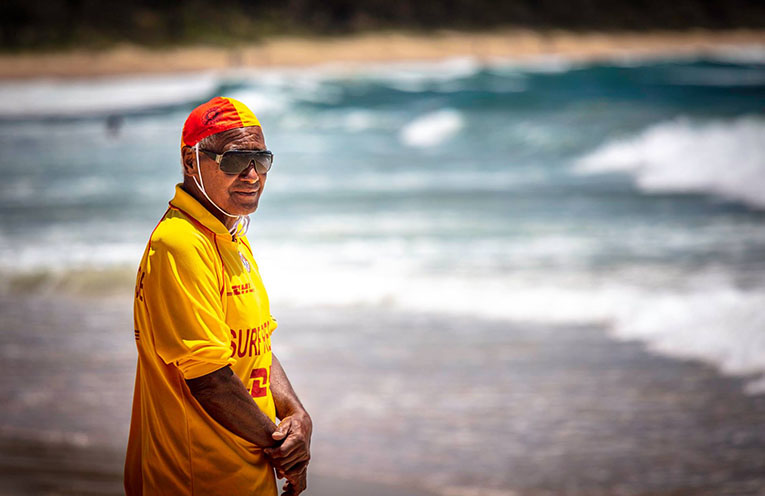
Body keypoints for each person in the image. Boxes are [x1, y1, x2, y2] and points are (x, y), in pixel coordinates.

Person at [124, 96, 312, 496]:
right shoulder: (179, 243)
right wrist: (285, 451)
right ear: (191, 162)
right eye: (234, 160)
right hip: (197, 478)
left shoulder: (231, 235)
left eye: (261, 160)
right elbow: (209, 378)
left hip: (246, 471)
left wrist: (296, 414)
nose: (252, 174)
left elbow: (256, 345)